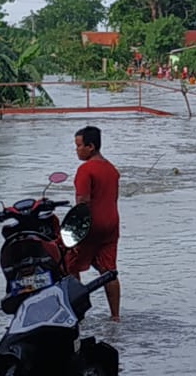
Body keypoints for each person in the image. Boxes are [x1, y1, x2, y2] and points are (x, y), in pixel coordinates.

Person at [68, 126, 122, 321]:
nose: (77, 150)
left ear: (90, 146)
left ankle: (77, 315)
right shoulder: (112, 169)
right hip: (112, 225)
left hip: (91, 226)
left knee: (70, 266)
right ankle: (115, 316)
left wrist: (74, 235)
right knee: (109, 271)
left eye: (79, 145)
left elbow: (82, 203)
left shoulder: (85, 170)